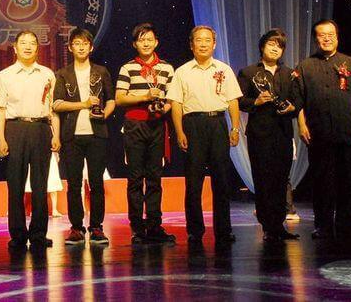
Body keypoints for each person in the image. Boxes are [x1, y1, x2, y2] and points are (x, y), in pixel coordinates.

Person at [295, 19, 351, 240]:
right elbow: (298, 101)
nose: (326, 38)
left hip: (347, 130)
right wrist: (301, 125)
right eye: (322, 35)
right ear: (315, 39)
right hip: (318, 132)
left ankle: (346, 225)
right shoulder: (305, 66)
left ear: (337, 37)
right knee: (321, 181)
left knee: (347, 181)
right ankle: (323, 226)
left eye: (331, 34)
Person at [167, 25, 242, 245]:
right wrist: (179, 131)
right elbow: (176, 104)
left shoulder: (224, 69)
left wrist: (235, 128)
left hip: (217, 124)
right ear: (191, 45)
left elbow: (233, 101)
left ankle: (224, 230)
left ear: (214, 44)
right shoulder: (182, 71)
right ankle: (195, 230)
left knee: (222, 180)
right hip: (193, 125)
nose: (203, 44)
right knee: (193, 182)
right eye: (198, 40)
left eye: (207, 40)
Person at [0, 30, 61, 249]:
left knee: (41, 184)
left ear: (37, 48)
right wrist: (1, 139)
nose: (28, 46)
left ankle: (39, 234)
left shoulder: (47, 74)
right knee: (15, 184)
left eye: (32, 43)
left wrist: (56, 135)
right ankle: (17, 235)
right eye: (23, 43)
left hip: (41, 128)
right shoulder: (5, 75)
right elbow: (0, 110)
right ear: (15, 48)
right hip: (15, 128)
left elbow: (53, 109)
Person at [237, 29, 300, 242]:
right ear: (262, 46)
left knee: (281, 180)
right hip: (260, 134)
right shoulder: (248, 72)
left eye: (279, 46)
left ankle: (279, 225)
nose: (275, 48)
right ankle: (268, 226)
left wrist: (292, 107)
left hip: (283, 133)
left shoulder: (290, 73)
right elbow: (238, 101)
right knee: (263, 179)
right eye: (271, 44)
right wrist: (255, 102)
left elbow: (298, 101)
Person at [53, 28, 115, 245]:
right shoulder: (63, 73)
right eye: (77, 43)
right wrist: (84, 104)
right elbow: (57, 104)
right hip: (72, 134)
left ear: (91, 47)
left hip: (97, 134)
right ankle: (76, 227)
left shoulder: (101, 71)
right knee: (74, 183)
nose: (81, 47)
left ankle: (96, 227)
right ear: (70, 47)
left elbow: (111, 100)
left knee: (96, 182)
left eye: (85, 43)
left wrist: (104, 114)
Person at [115, 23, 175, 244]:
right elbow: (120, 98)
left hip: (157, 125)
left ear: (156, 42)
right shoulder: (127, 68)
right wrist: (145, 97)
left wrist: (162, 108)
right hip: (135, 125)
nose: (146, 43)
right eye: (141, 40)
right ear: (135, 44)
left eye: (149, 39)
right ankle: (137, 228)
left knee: (155, 178)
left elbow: (172, 99)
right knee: (135, 178)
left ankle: (154, 226)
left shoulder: (167, 68)